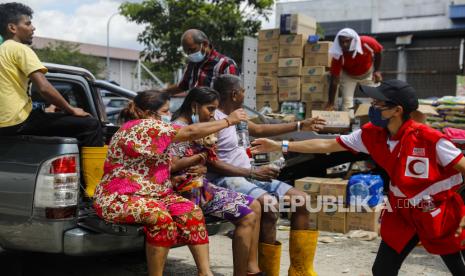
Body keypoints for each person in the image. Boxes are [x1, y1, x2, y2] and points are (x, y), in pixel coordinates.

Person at [252, 79, 465, 276]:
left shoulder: (430, 139)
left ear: (396, 110)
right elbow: (328, 144)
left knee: (457, 267)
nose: (372, 107)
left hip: (437, 210)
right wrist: (282, 145)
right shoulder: (371, 134)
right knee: (382, 269)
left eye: (378, 103)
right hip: (401, 212)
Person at [93, 90, 248, 276]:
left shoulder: (157, 130)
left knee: (191, 212)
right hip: (120, 197)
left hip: (157, 194)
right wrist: (228, 121)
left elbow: (151, 165)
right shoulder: (139, 127)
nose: (169, 115)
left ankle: (205, 273)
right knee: (160, 218)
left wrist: (172, 179)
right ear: (148, 113)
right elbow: (190, 131)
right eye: (165, 111)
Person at [209, 74, 326, 276]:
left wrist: (300, 125)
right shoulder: (214, 120)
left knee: (302, 200)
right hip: (228, 178)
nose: (245, 94)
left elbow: (260, 128)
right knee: (270, 206)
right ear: (235, 94)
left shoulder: (240, 115)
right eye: (244, 90)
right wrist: (252, 171)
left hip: (250, 175)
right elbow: (211, 162)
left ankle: (300, 270)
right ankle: (264, 271)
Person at [169, 87, 263, 276]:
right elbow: (169, 167)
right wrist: (200, 158)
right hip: (186, 191)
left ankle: (251, 269)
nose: (212, 115)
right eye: (210, 109)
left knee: (255, 206)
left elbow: (206, 161)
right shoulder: (177, 129)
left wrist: (203, 164)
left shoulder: (201, 126)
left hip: (201, 186)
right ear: (195, 106)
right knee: (248, 215)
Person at [0, 2, 102, 146]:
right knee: (91, 125)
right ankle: (92, 169)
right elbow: (44, 88)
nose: (33, 28)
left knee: (46, 117)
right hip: (17, 122)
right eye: (28, 24)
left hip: (4, 125)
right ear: (12, 28)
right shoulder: (20, 49)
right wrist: (71, 109)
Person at [163, 29, 239, 95]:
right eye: (187, 52)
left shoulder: (226, 64)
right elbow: (182, 86)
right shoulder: (191, 64)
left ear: (205, 44)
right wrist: (161, 92)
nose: (190, 54)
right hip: (194, 110)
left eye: (192, 50)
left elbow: (232, 94)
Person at [326, 28, 383, 113]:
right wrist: (331, 103)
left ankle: (379, 123)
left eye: (347, 41)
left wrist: (377, 71)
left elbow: (378, 52)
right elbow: (334, 80)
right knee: (347, 103)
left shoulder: (367, 42)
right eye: (341, 42)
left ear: (354, 40)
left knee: (378, 99)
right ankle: (348, 123)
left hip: (368, 74)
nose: (344, 44)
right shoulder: (338, 54)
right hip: (349, 76)